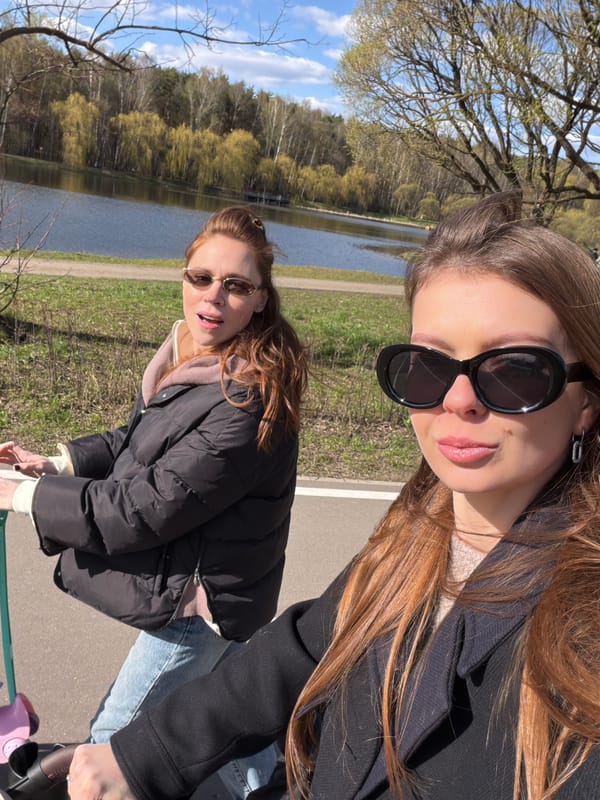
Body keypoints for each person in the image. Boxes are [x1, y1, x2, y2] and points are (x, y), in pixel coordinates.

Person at [62, 191, 600, 800]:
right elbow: (308, 642)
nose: (457, 400)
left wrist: (40, 502)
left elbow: (152, 503)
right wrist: (148, 754)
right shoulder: (420, 528)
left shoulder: (581, 637)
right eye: (427, 365)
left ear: (586, 401)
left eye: (515, 371)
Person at [0, 205, 308, 798]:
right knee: (229, 746)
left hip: (204, 605)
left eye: (236, 285)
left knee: (112, 747)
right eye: (201, 277)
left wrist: (23, 496)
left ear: (261, 299)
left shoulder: (245, 399)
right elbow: (136, 442)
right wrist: (56, 464)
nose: (213, 296)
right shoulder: (196, 356)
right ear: (184, 277)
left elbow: (144, 506)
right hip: (222, 594)